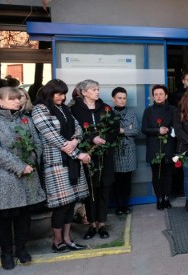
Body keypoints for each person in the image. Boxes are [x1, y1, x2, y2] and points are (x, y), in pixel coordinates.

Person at [0, 87, 45, 269]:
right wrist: (19, 166)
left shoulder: (25, 119)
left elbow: (37, 143)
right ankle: (6, 253)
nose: (17, 101)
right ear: (0, 101)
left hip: (27, 176)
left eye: (18, 98)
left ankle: (21, 249)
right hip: (3, 177)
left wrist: (32, 159)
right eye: (11, 99)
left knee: (23, 217)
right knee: (3, 219)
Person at [32, 79, 90, 254]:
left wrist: (75, 141)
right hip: (56, 163)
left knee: (70, 204)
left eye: (64, 94)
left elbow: (78, 128)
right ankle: (57, 242)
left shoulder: (64, 109)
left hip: (71, 162)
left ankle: (67, 239)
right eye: (59, 94)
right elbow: (51, 135)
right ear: (49, 93)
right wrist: (75, 151)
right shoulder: (40, 109)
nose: (63, 97)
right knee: (60, 206)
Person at [71, 79, 119, 240]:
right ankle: (92, 224)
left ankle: (102, 223)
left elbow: (114, 128)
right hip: (87, 156)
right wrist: (92, 139)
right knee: (91, 191)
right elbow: (74, 131)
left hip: (105, 156)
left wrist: (105, 140)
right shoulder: (75, 110)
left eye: (98, 89)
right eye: (93, 89)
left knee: (104, 190)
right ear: (84, 92)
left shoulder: (105, 108)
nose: (97, 92)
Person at [142, 84, 176, 210]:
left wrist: (168, 129)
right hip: (154, 147)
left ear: (166, 95)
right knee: (156, 175)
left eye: (161, 94)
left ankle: (166, 197)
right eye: (156, 94)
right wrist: (158, 130)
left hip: (168, 146)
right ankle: (159, 198)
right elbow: (144, 129)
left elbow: (177, 126)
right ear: (153, 96)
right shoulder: (148, 111)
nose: (158, 96)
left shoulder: (172, 109)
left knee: (168, 174)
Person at [111, 87, 139, 215]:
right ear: (113, 99)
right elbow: (110, 132)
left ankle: (125, 205)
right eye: (119, 98)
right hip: (115, 151)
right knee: (116, 181)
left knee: (127, 181)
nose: (122, 101)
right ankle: (118, 206)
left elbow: (136, 130)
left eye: (124, 98)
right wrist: (128, 129)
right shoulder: (109, 113)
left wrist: (122, 130)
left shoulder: (132, 113)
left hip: (129, 151)